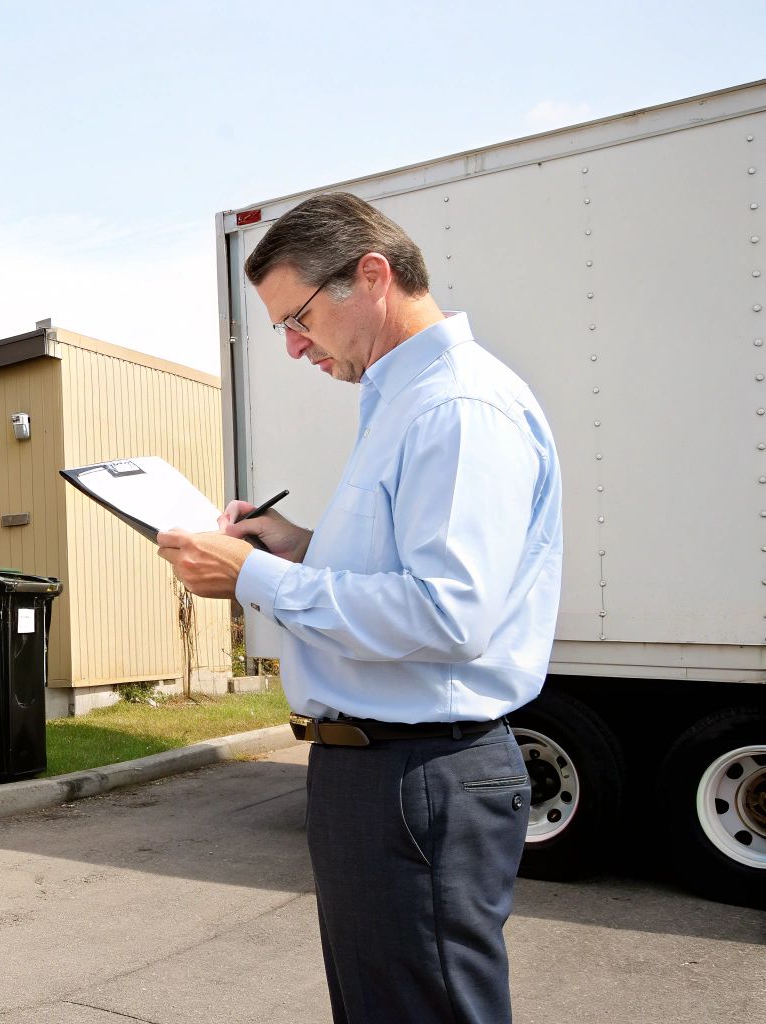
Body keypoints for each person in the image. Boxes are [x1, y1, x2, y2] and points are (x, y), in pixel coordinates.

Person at [154, 191, 562, 1024]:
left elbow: (447, 615)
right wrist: (295, 545)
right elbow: (401, 573)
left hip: (416, 773)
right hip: (381, 769)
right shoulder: (406, 403)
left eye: (297, 319)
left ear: (371, 277)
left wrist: (253, 578)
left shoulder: (456, 407)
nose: (295, 347)